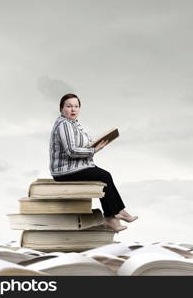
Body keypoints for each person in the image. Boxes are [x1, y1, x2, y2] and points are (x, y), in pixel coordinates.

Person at [49, 93, 137, 232]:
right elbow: (71, 151)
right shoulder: (64, 124)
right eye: (69, 106)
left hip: (76, 166)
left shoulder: (74, 124)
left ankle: (117, 212)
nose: (73, 109)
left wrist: (94, 144)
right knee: (104, 176)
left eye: (76, 106)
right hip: (64, 170)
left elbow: (81, 145)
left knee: (104, 176)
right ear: (61, 109)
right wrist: (94, 150)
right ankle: (112, 216)